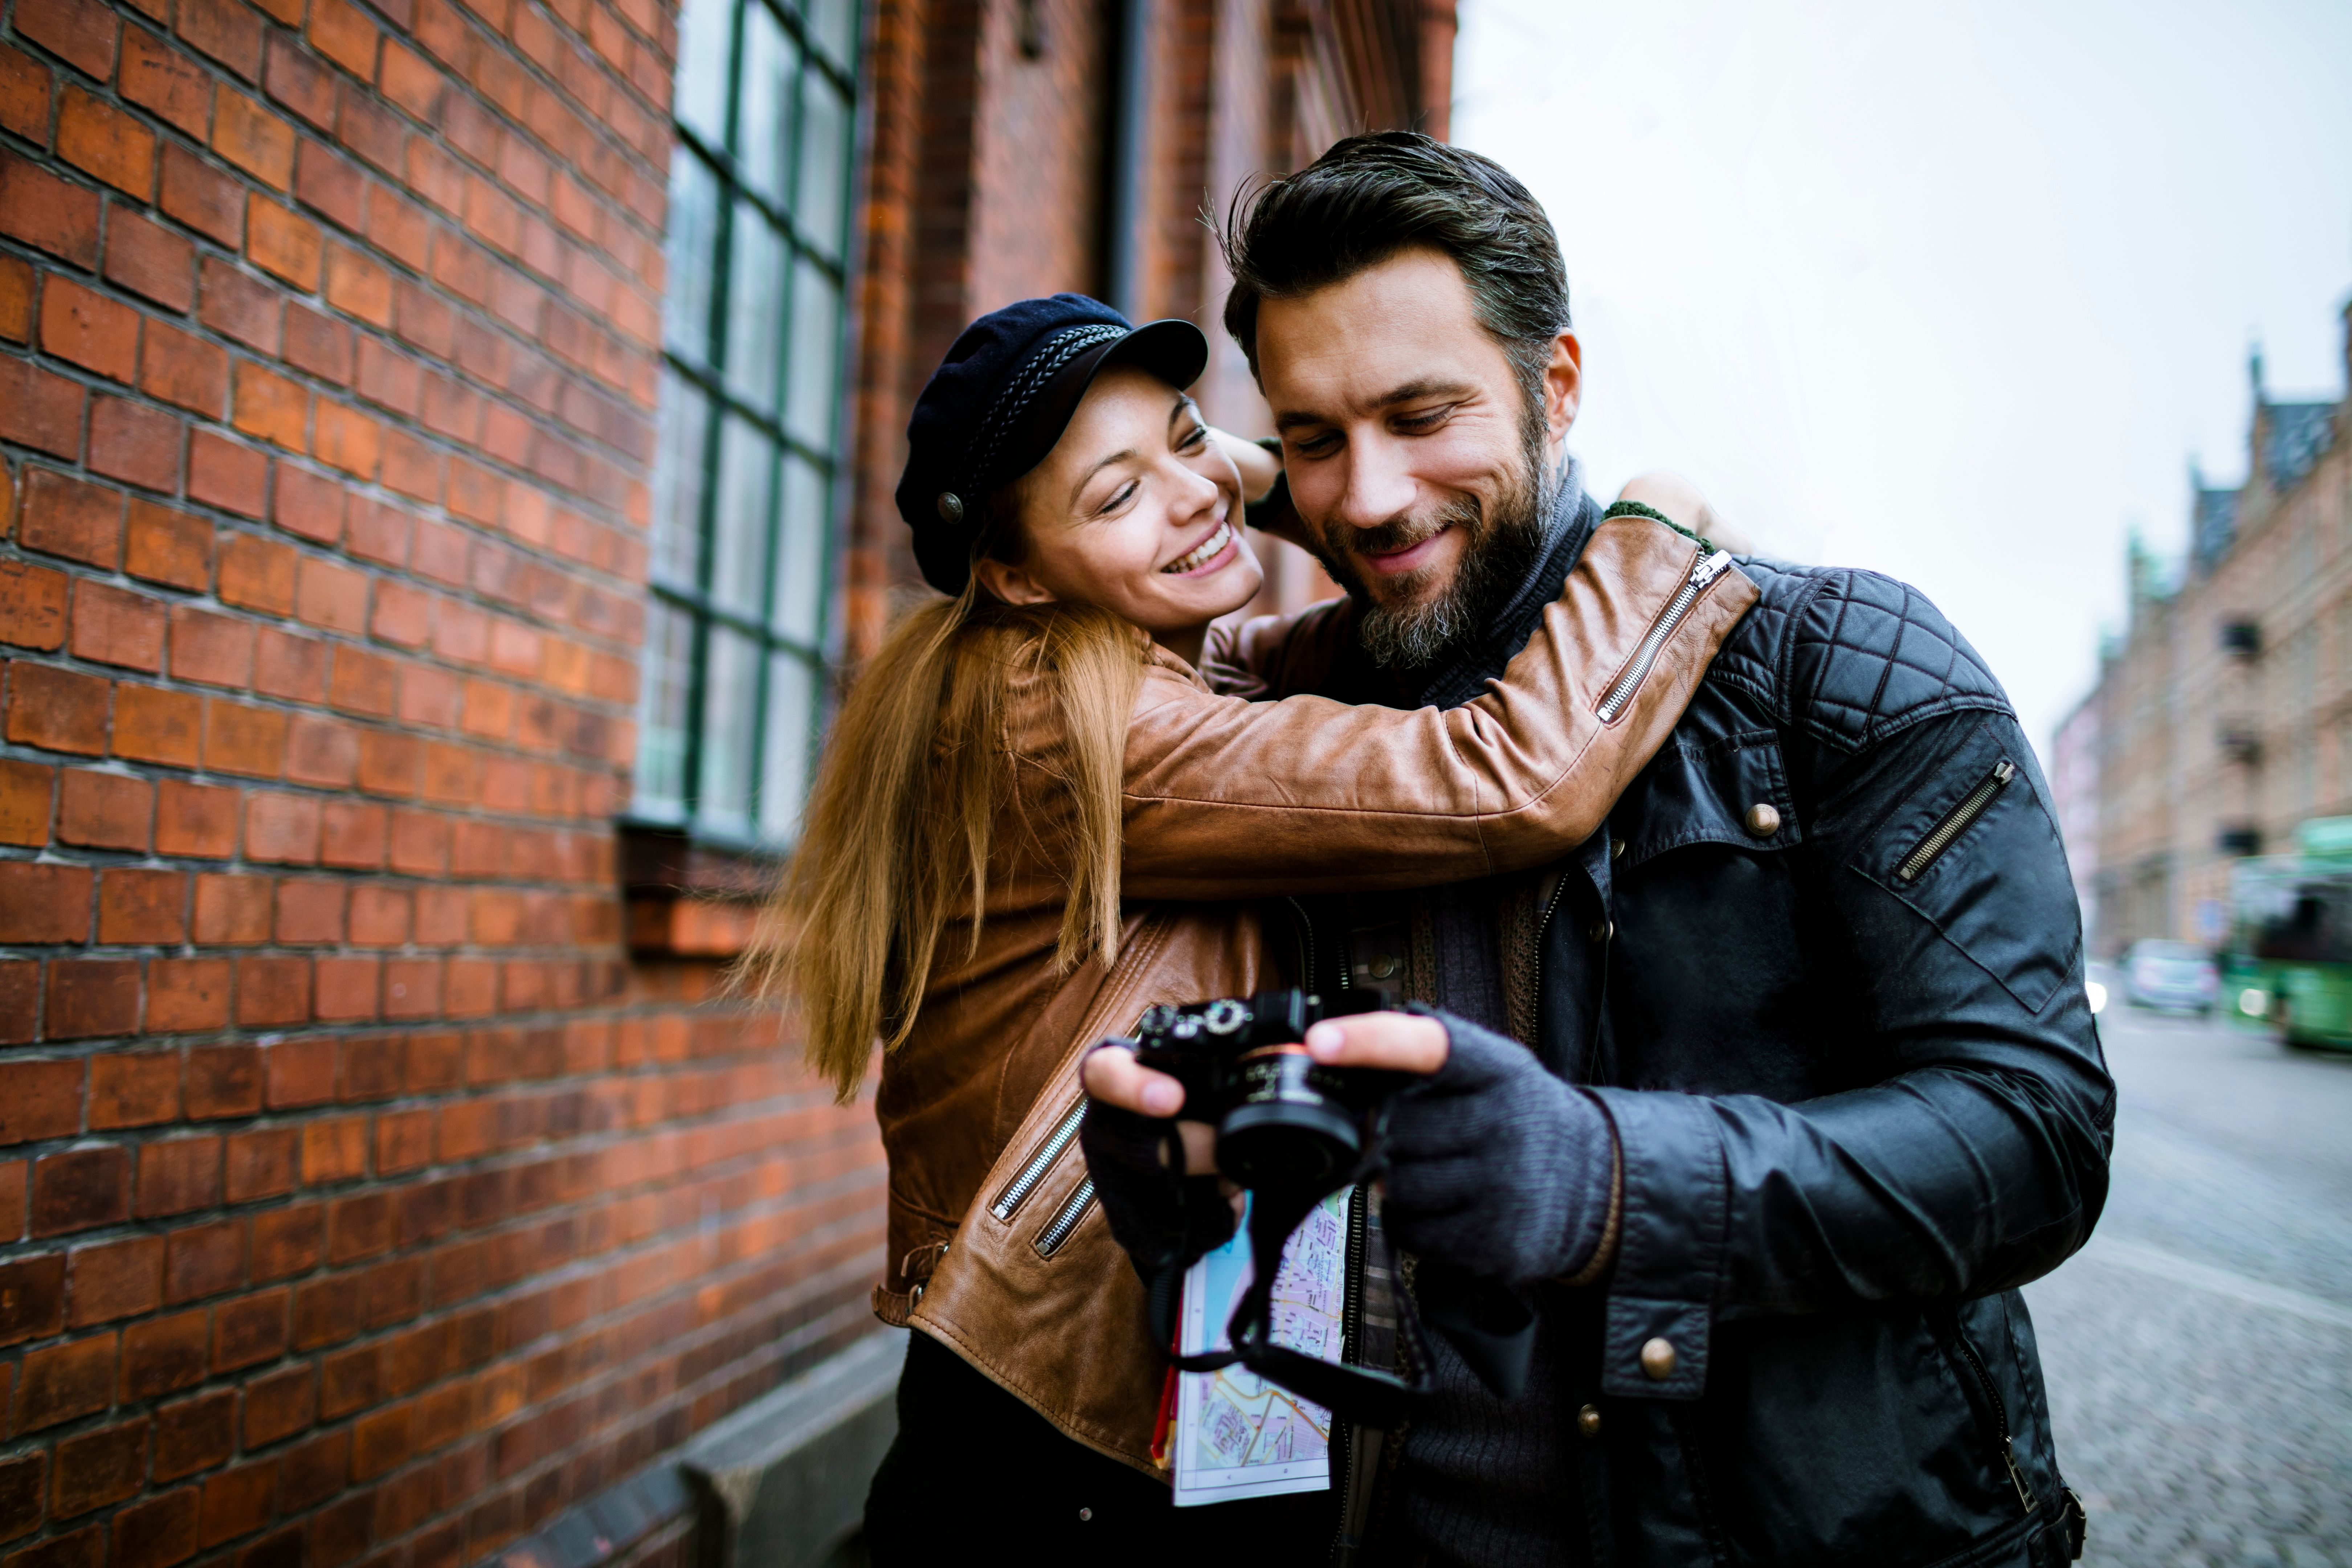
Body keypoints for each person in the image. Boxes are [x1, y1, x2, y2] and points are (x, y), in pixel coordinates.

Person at [1081, 132, 2110, 1568]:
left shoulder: (1840, 665)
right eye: (1312, 440)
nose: (1365, 497)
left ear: (1556, 386)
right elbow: (1292, 1247)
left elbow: (2036, 1135)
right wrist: (1183, 1192)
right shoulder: (1274, 726)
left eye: (1422, 415)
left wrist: (1609, 1180)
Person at [743, 293, 1754, 1560]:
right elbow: (1511, 775)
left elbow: (1397, 620)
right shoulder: (1058, 718)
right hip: (1064, 1433)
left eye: (1188, 438)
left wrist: (1253, 477)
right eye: (1117, 496)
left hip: (1192, 1365)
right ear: (1017, 574)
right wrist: (1659, 528)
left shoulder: (1166, 664)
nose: (1190, 494)